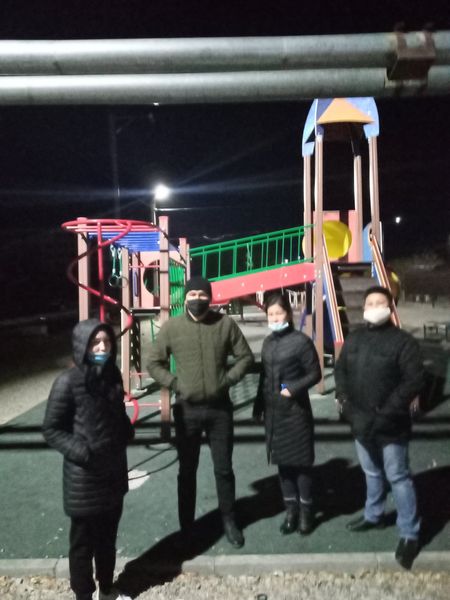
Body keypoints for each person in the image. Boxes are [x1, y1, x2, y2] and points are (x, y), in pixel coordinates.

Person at [148, 276, 254, 548]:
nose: (197, 298)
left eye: (202, 294)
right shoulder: (172, 327)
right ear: (185, 298)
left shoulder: (225, 324)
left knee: (224, 469)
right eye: (192, 294)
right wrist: (175, 384)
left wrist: (227, 380)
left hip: (220, 411)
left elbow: (245, 357)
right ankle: (187, 527)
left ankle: (229, 520)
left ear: (210, 297)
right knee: (187, 471)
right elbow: (154, 362)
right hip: (187, 411)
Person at [43, 319, 134, 600]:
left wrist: (125, 430)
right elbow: (52, 429)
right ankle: (83, 594)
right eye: (95, 342)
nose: (102, 347)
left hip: (113, 473)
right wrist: (82, 452)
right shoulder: (67, 382)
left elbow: (116, 412)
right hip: (84, 478)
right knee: (82, 544)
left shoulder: (113, 375)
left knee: (108, 539)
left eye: (106, 342)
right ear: (82, 345)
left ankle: (107, 589)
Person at [334, 285, 423, 570]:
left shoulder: (404, 342)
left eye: (380, 302)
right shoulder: (354, 339)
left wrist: (385, 413)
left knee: (398, 476)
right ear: (364, 309)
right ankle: (373, 515)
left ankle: (409, 533)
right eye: (370, 303)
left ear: (390, 306)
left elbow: (413, 381)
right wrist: (346, 405)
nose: (374, 307)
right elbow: (341, 372)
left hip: (391, 423)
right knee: (371, 471)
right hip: (360, 421)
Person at [253, 292, 321, 535]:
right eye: (270, 314)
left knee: (301, 465)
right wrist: (258, 406)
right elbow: (265, 376)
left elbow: (314, 374)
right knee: (283, 466)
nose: (274, 318)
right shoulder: (268, 343)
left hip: (296, 413)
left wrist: (291, 389)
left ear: (289, 314)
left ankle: (306, 513)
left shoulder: (301, 342)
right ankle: (290, 512)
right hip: (274, 415)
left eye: (278, 313)